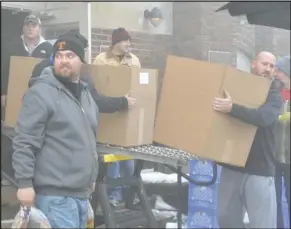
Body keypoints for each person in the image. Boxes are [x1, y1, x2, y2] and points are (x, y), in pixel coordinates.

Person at [12, 31, 101, 228]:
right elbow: (25, 140)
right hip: (55, 196)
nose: (63, 61)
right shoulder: (41, 93)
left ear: (81, 61)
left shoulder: (85, 94)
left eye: (70, 56)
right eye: (59, 56)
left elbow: (88, 138)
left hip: (80, 194)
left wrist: (91, 177)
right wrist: (24, 184)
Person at [214, 51, 283, 228]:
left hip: (259, 168)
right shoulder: (237, 88)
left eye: (271, 66)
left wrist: (232, 108)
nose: (267, 69)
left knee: (263, 224)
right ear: (253, 64)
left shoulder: (275, 95)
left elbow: (264, 118)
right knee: (226, 219)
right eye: (264, 64)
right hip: (233, 166)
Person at [93, 28, 141, 206]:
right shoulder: (101, 60)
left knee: (128, 160)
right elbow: (97, 84)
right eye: (125, 41)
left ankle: (130, 195)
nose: (129, 44)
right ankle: (113, 196)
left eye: (129, 41)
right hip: (109, 113)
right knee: (111, 160)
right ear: (116, 43)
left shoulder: (134, 60)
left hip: (128, 111)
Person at [1, 14, 52, 110]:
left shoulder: (49, 48)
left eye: (34, 26)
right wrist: (3, 93)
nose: (30, 28)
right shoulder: (11, 46)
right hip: (15, 94)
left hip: (40, 94)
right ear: (23, 28)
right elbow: (4, 70)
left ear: (39, 29)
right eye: (27, 25)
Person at [273, 55, 290, 229]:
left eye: (279, 70)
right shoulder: (274, 93)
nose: (276, 74)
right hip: (274, 158)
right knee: (274, 200)